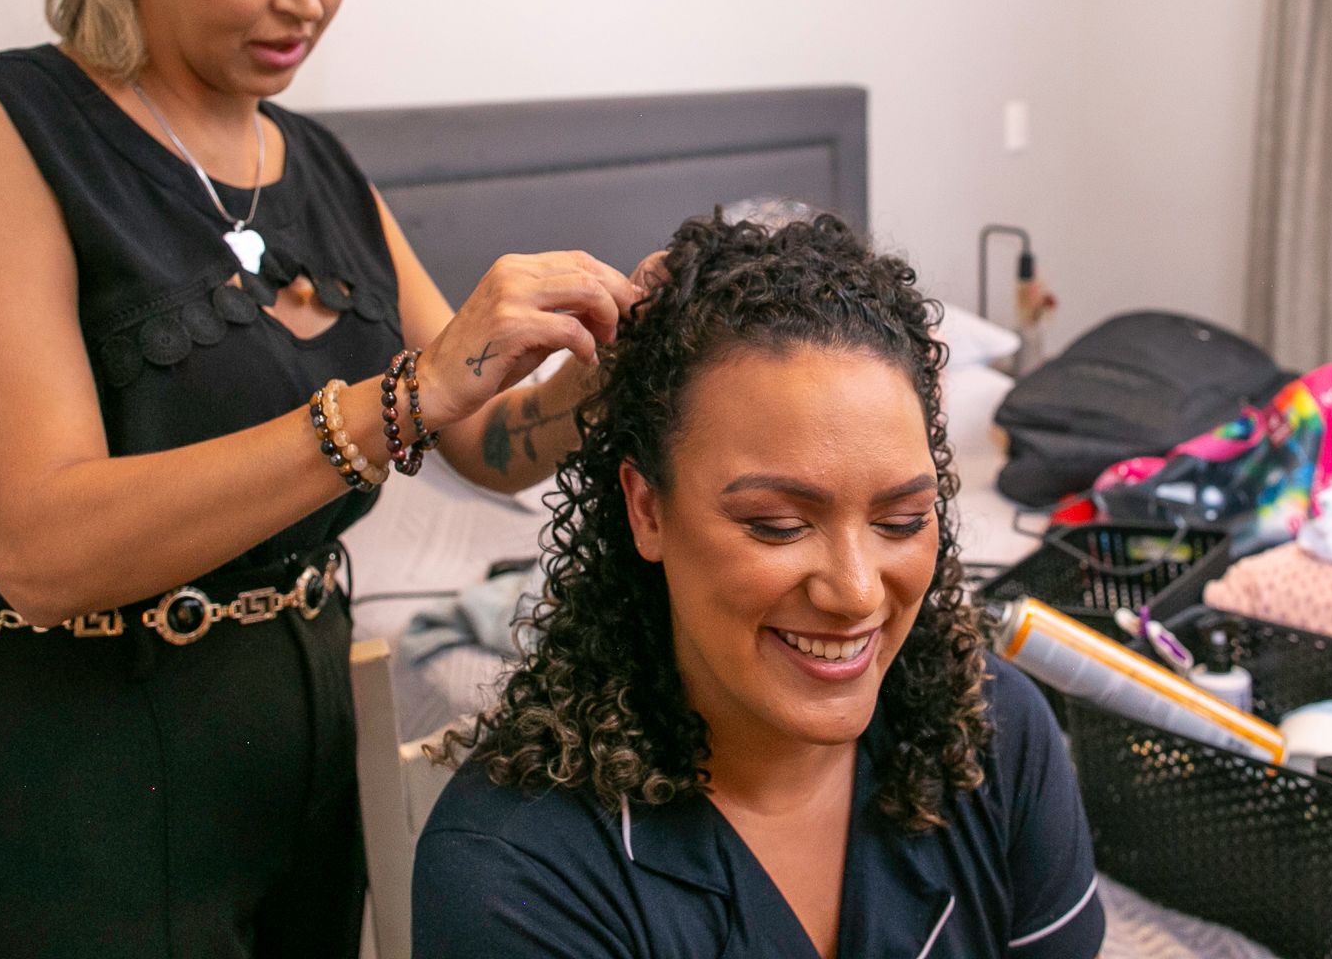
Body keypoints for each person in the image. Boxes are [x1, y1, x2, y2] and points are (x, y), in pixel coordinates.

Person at [0, 0, 646, 957]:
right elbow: (39, 540)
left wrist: (609, 369)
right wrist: (400, 397)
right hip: (81, 776)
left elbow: (489, 439)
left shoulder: (322, 167)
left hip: (303, 756)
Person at [413, 213, 1107, 958]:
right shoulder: (516, 877)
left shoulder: (994, 734)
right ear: (648, 510)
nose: (856, 592)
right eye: (778, 524)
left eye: (902, 520)